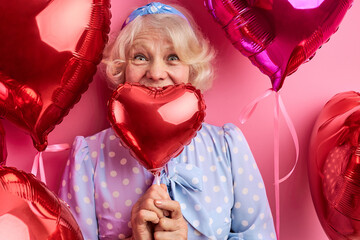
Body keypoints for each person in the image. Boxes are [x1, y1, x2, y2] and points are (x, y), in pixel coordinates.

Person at [58, 2, 277, 240]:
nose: (156, 73)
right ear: (121, 70)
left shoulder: (227, 147)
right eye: (140, 57)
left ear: (192, 71)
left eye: (172, 57)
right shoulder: (89, 157)